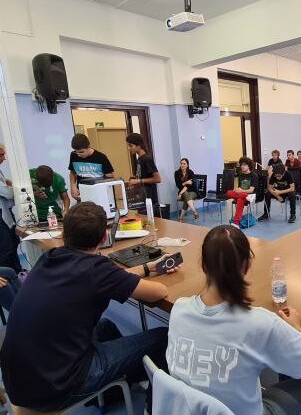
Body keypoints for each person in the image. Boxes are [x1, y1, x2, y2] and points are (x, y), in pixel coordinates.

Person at [0, 202, 176, 411]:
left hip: (19, 380)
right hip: (58, 387)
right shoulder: (96, 269)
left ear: (64, 234)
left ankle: (126, 380)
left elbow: (109, 277)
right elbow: (159, 293)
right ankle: (151, 404)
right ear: (104, 238)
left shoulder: (51, 257)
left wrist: (148, 267)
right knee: (162, 337)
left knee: (106, 327)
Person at [166, 225, 301, 415]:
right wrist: (298, 329)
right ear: (247, 266)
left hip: (187, 410)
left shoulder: (179, 308)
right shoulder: (260, 323)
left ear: (202, 264)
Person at [68, 134, 114, 200]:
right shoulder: (73, 155)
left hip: (99, 193)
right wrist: (73, 186)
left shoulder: (101, 157)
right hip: (82, 192)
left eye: (81, 152)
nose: (78, 155)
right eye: (76, 152)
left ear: (89, 146)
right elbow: (72, 172)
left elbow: (110, 176)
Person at [0, 143, 21, 272]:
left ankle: (17, 275)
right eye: (1, 155)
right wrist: (13, 188)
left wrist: (9, 185)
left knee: (14, 243)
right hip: (1, 215)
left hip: (6, 214)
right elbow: (7, 193)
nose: (4, 158)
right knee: (6, 248)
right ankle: (6, 279)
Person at [126, 133, 161, 207]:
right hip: (142, 198)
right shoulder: (139, 159)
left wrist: (139, 181)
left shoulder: (147, 158)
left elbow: (158, 179)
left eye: (130, 145)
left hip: (149, 199)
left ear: (139, 146)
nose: (129, 148)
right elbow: (142, 176)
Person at [226, 157, 258, 228]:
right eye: (241, 165)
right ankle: (246, 196)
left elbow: (251, 190)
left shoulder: (254, 176)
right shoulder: (241, 175)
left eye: (244, 165)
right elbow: (240, 187)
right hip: (244, 195)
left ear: (249, 166)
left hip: (250, 194)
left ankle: (236, 223)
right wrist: (237, 189)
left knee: (240, 200)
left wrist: (241, 191)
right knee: (228, 192)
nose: (242, 166)